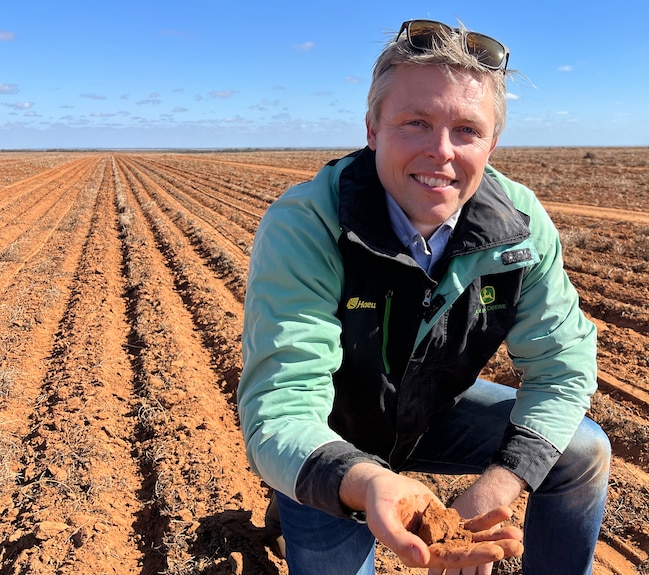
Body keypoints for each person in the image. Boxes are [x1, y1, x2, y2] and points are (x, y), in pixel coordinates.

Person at [238, 19, 611, 575]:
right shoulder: (308, 224)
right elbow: (283, 405)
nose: (441, 151)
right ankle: (300, 497)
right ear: (372, 128)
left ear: (492, 143)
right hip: (334, 430)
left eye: (467, 130)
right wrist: (360, 481)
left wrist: (500, 484)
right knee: (318, 509)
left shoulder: (519, 225)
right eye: (415, 123)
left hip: (435, 410)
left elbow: (562, 367)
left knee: (584, 451)